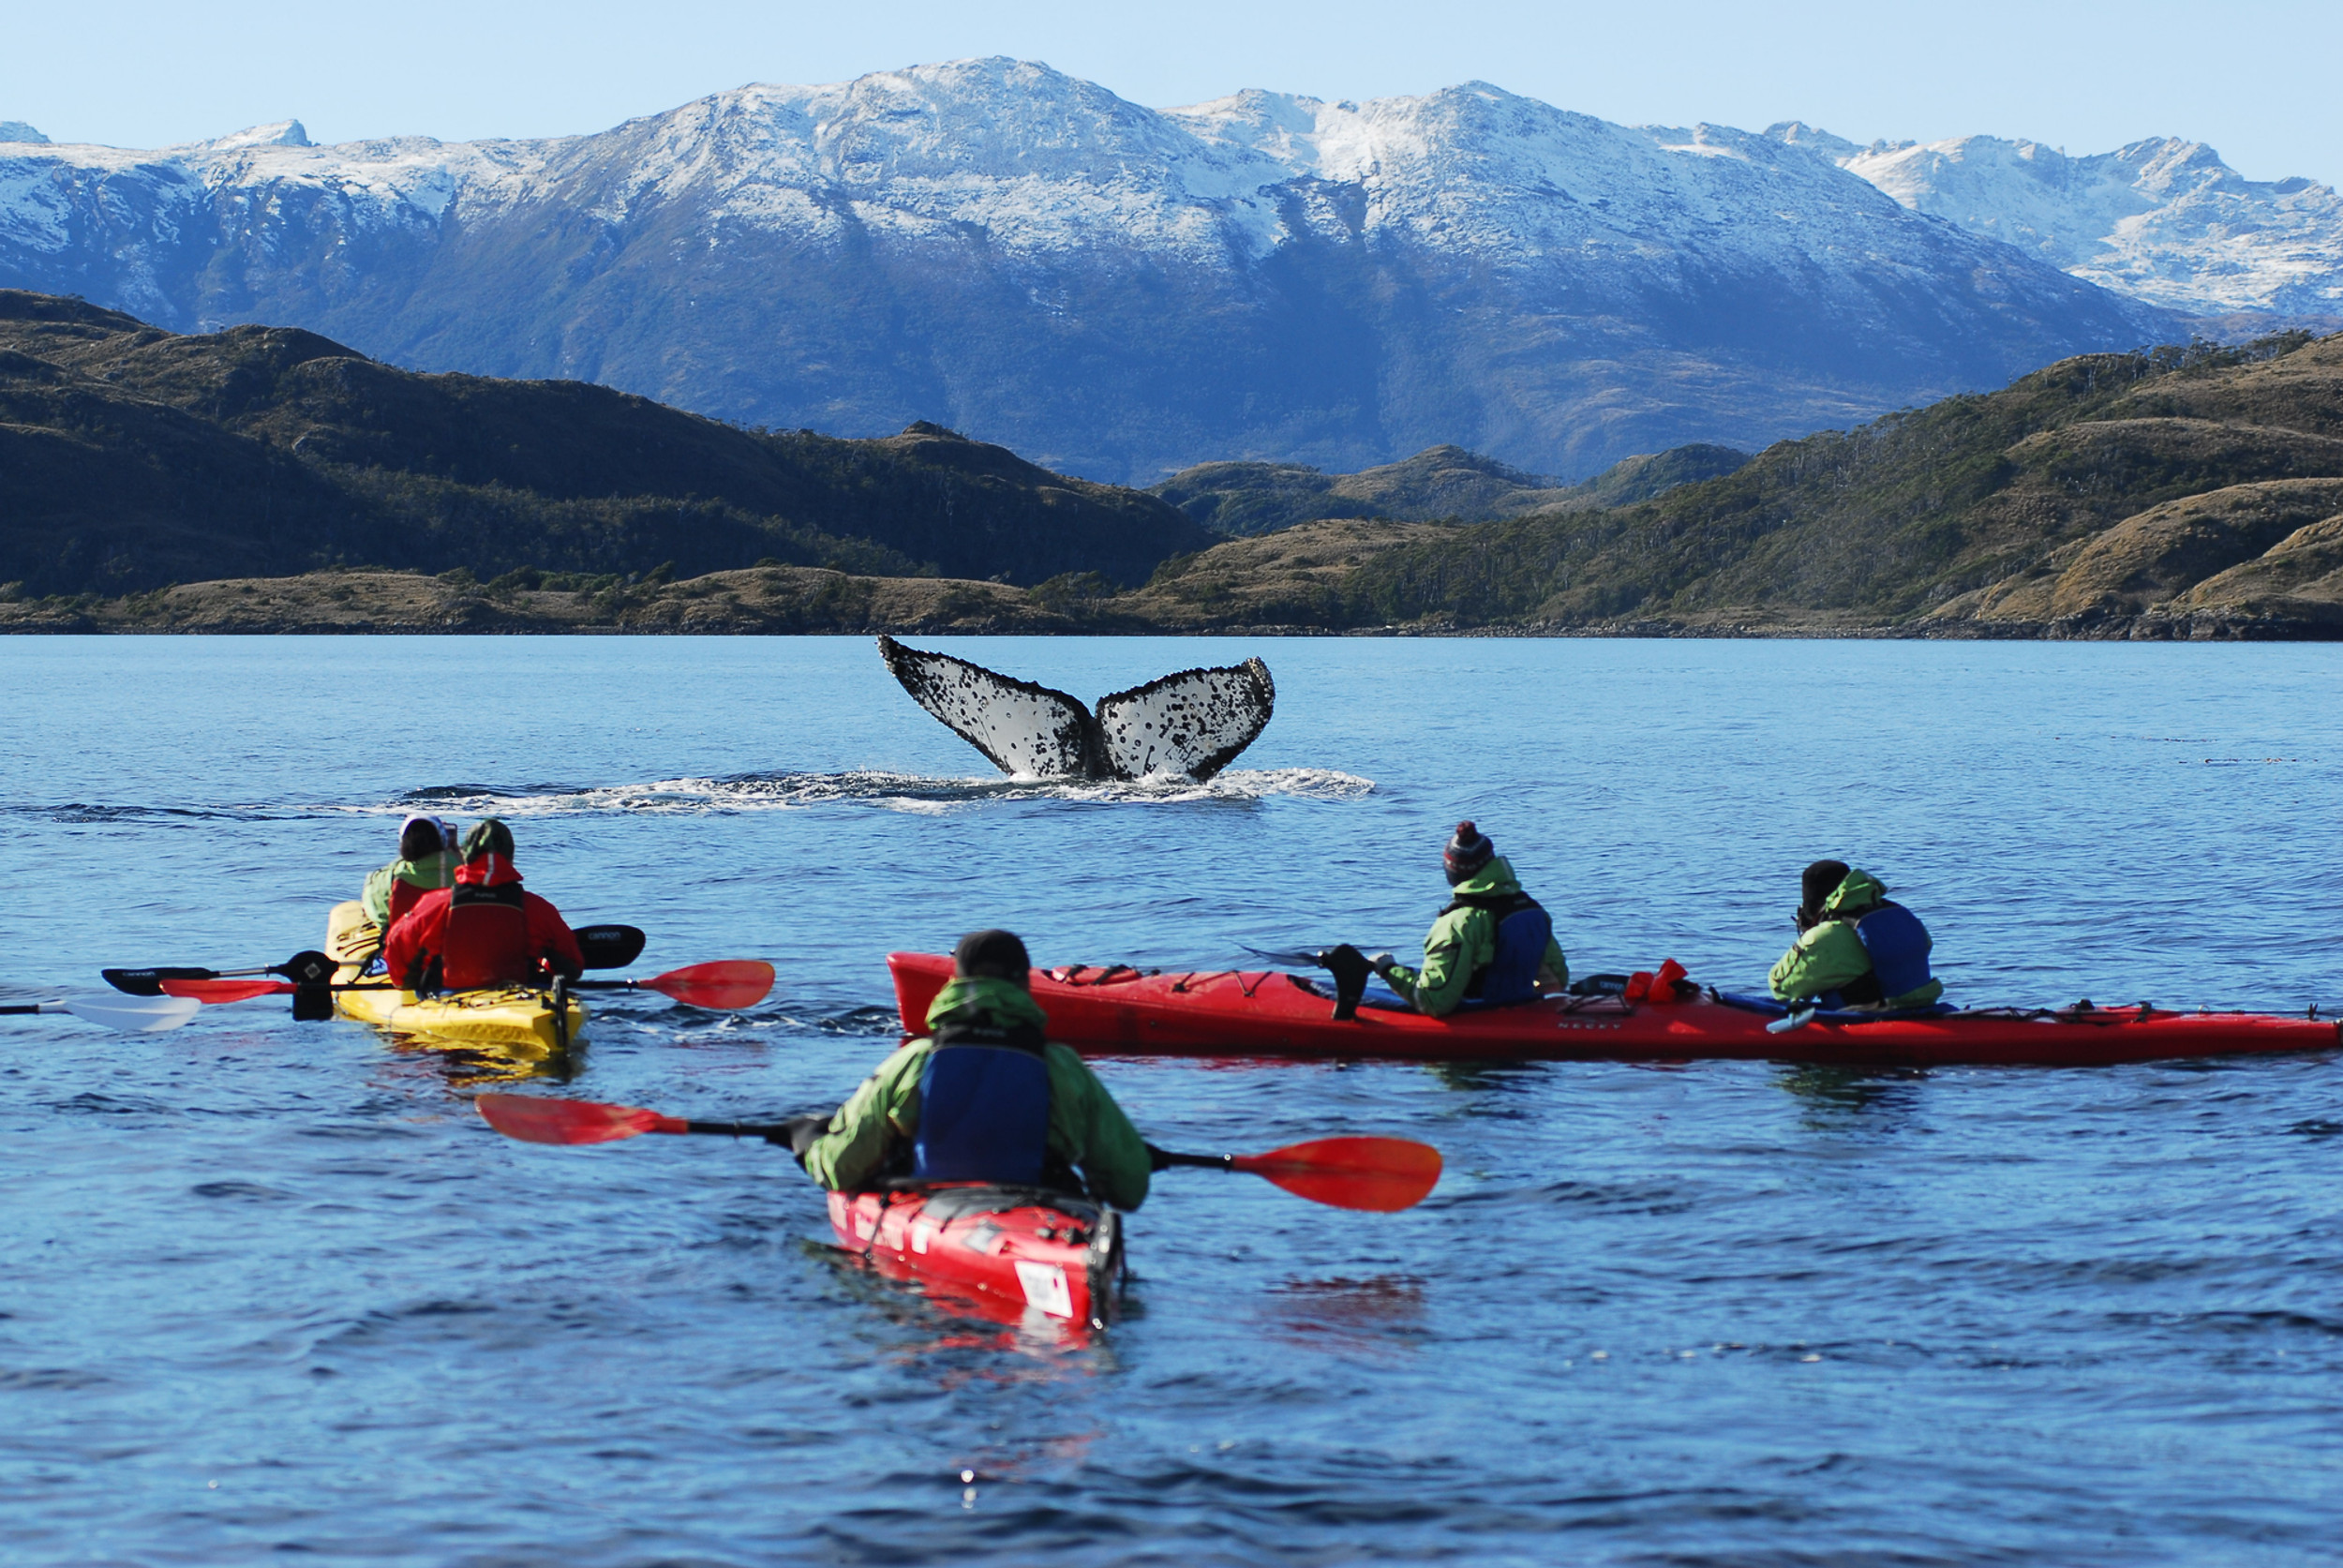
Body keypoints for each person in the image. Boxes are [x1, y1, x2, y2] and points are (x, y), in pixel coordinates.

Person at [784, 929, 1153, 1209]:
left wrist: (809, 1141)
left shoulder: (912, 1062)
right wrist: (1134, 1155)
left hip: (936, 1209)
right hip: (1044, 1213)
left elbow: (843, 1168)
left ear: (953, 984)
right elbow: (1128, 1189)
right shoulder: (1063, 1067)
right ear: (1025, 985)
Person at [1326, 821, 1569, 1020]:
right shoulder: (1532, 910)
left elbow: (1435, 1003)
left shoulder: (1457, 923)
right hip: (1520, 1015)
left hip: (1474, 1019)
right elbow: (1557, 982)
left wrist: (1387, 969)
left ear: (1453, 870)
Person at [382, 818, 585, 993]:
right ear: (510, 856)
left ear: (466, 855)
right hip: (520, 997)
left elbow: (396, 949)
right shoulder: (538, 908)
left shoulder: (434, 905)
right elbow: (573, 966)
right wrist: (544, 966)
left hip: (447, 996)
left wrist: (409, 983)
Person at [1768, 859, 1943, 1009]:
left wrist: (1805, 939)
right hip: (1924, 1011)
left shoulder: (1826, 936)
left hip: (1870, 1022)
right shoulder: (1901, 914)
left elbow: (1781, 987)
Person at [361, 814, 455, 933]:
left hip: (406, 940)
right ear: (444, 839)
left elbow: (375, 910)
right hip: (452, 938)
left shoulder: (392, 877)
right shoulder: (463, 873)